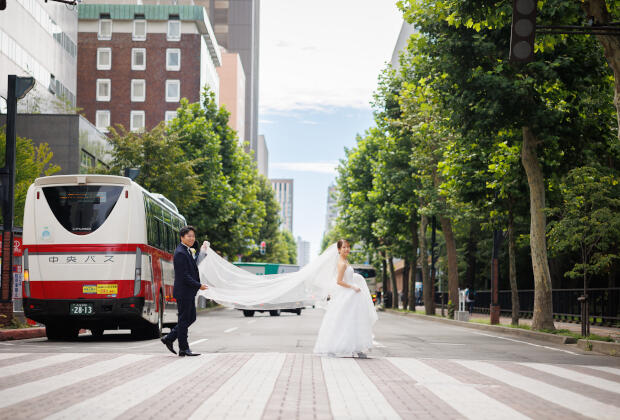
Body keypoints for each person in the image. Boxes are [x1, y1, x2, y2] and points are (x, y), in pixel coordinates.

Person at [313, 239, 378, 358]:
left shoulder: (345, 261)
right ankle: (333, 347)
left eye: (348, 247)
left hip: (352, 295)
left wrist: (356, 280)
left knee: (354, 321)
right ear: (338, 250)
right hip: (346, 295)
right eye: (344, 247)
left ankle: (357, 348)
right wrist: (353, 287)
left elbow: (349, 276)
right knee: (342, 321)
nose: (347, 249)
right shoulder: (342, 263)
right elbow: (339, 281)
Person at [161, 226, 208, 356]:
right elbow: (184, 275)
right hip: (184, 291)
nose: (192, 238)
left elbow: (193, 265)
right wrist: (199, 285)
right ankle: (183, 348)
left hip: (187, 291)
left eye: (193, 236)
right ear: (182, 237)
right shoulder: (180, 252)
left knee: (190, 318)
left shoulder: (186, 250)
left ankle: (169, 338)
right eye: (189, 236)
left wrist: (202, 251)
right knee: (184, 319)